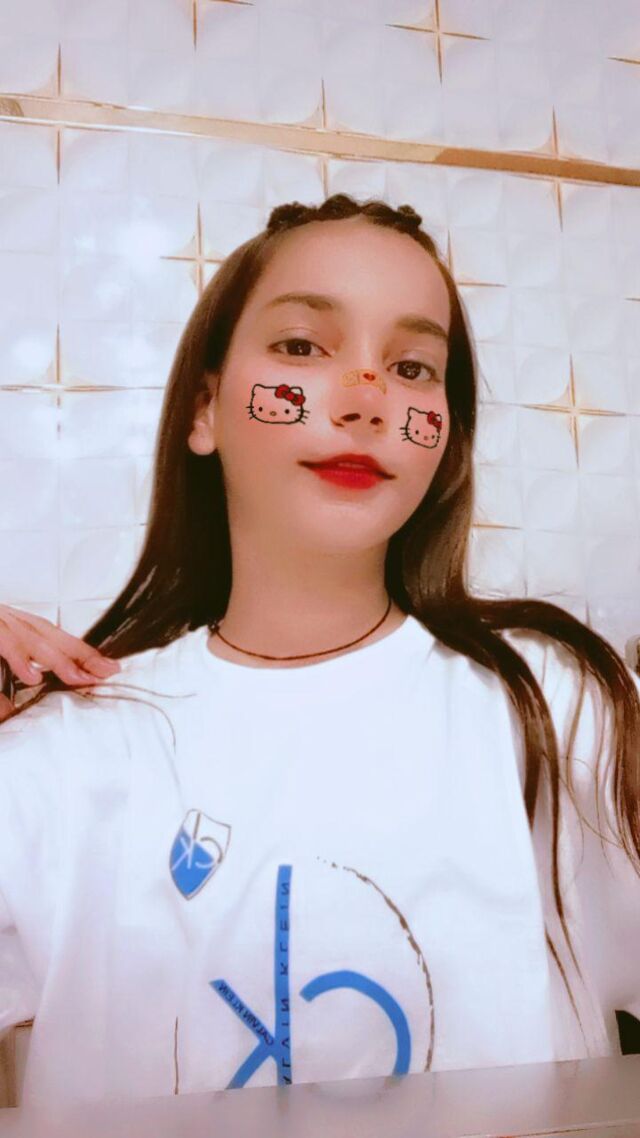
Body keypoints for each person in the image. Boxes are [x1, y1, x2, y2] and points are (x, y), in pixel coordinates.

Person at [1, 193, 639, 1106]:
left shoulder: (555, 707)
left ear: (445, 436)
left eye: (414, 367)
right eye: (303, 347)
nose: (367, 397)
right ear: (204, 409)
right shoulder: (61, 756)